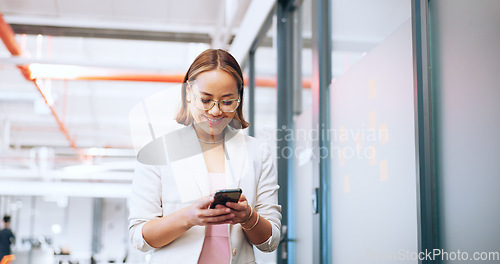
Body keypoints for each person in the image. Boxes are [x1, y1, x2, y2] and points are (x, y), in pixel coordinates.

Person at [129, 49, 281, 263]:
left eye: (227, 102)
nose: (216, 111)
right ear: (188, 94)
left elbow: (270, 242)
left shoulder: (258, 153)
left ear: (239, 99)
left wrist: (248, 217)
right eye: (206, 99)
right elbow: (139, 238)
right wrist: (187, 218)